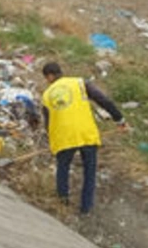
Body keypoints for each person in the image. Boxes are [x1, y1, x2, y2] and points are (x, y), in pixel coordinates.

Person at [41, 62, 126, 215]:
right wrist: (119, 119)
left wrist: (52, 141)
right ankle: (85, 208)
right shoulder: (80, 83)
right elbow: (103, 101)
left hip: (64, 137)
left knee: (63, 168)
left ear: (49, 76)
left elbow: (48, 123)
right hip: (86, 133)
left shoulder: (46, 95)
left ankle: (63, 202)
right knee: (90, 171)